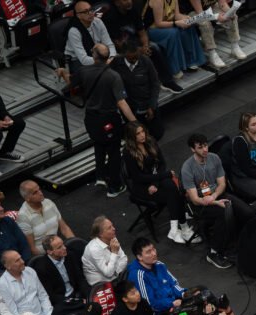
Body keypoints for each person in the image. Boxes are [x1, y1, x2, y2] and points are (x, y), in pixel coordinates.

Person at [181, 133, 256, 269]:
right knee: (223, 212)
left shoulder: (214, 158)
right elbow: (195, 199)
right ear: (193, 149)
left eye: (205, 145)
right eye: (200, 147)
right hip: (201, 205)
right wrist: (213, 202)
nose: (205, 149)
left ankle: (241, 241)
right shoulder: (187, 168)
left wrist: (214, 197)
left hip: (217, 195)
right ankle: (214, 252)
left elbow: (222, 184)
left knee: (248, 213)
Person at [76, 44, 138, 197]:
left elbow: (71, 83)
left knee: (99, 144)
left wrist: (63, 72)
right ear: (108, 57)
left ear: (94, 55)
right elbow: (122, 103)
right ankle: (115, 186)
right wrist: (135, 122)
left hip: (90, 118)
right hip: (108, 117)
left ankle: (100, 176)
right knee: (113, 151)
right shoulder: (113, 76)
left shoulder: (84, 71)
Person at [122, 122, 197, 245]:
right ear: (131, 137)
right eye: (138, 134)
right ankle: (182, 226)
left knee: (170, 185)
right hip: (141, 187)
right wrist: (163, 176)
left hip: (155, 179)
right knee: (172, 191)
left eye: (142, 131)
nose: (142, 135)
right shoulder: (128, 152)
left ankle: (176, 228)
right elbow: (138, 177)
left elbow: (161, 164)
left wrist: (156, 183)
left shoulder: (150, 141)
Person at [102, 0, 183, 94]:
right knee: (136, 53)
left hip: (135, 42)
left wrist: (145, 45)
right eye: (125, 0)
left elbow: (142, 32)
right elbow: (117, 43)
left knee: (154, 48)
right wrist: (138, 50)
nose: (129, 2)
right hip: (120, 48)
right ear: (117, 3)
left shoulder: (133, 10)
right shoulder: (110, 17)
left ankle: (167, 82)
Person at [126, 237, 186, 315]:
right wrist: (172, 303)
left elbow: (173, 284)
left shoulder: (159, 265)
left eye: (153, 249)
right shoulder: (138, 275)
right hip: (158, 314)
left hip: (173, 302)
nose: (154, 253)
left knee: (200, 293)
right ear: (139, 257)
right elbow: (149, 305)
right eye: (148, 252)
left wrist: (184, 294)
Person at [143, 0, 207, 80]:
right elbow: (158, 23)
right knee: (174, 32)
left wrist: (188, 19)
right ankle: (174, 69)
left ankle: (190, 61)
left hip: (168, 24)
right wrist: (176, 23)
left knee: (188, 27)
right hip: (153, 30)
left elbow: (176, 15)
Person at [113, 38, 164, 141]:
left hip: (148, 105)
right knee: (135, 138)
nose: (135, 60)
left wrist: (152, 106)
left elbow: (155, 84)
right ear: (124, 54)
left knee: (156, 134)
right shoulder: (115, 64)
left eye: (137, 56)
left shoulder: (146, 61)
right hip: (131, 109)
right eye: (131, 58)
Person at [32, 235, 88, 315]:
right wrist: (76, 302)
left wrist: (88, 295)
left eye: (63, 244)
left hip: (76, 293)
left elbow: (80, 279)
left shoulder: (70, 255)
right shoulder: (42, 268)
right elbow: (51, 295)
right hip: (61, 300)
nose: (64, 248)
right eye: (59, 247)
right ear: (50, 252)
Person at [15, 181, 77, 256]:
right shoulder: (23, 216)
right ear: (27, 198)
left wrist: (75, 243)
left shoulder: (48, 203)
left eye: (39, 189)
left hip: (58, 246)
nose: (40, 193)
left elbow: (64, 229)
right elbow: (32, 249)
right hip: (43, 254)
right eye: (35, 192)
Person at [0, 250, 54, 315]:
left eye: (21, 258)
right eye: (17, 261)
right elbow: (12, 312)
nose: (22, 261)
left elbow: (43, 295)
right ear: (8, 266)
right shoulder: (2, 285)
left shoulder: (30, 271)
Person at [188, 0, 245, 68]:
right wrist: (216, 17)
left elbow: (222, 3)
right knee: (205, 23)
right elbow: (201, 13)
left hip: (211, 6)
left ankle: (235, 46)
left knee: (231, 16)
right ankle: (212, 52)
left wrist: (231, 12)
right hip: (194, 11)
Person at [65, 1, 117, 69]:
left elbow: (109, 44)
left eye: (91, 10)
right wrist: (104, 61)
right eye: (86, 12)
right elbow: (84, 60)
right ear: (78, 15)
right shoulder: (74, 31)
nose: (90, 13)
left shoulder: (98, 22)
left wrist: (111, 58)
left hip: (99, 57)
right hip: (77, 60)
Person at [82, 216, 129, 285]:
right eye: (109, 228)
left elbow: (124, 259)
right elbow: (108, 273)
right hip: (101, 284)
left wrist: (115, 271)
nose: (114, 229)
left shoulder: (112, 238)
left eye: (112, 225)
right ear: (100, 234)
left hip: (116, 277)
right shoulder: (93, 249)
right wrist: (115, 253)